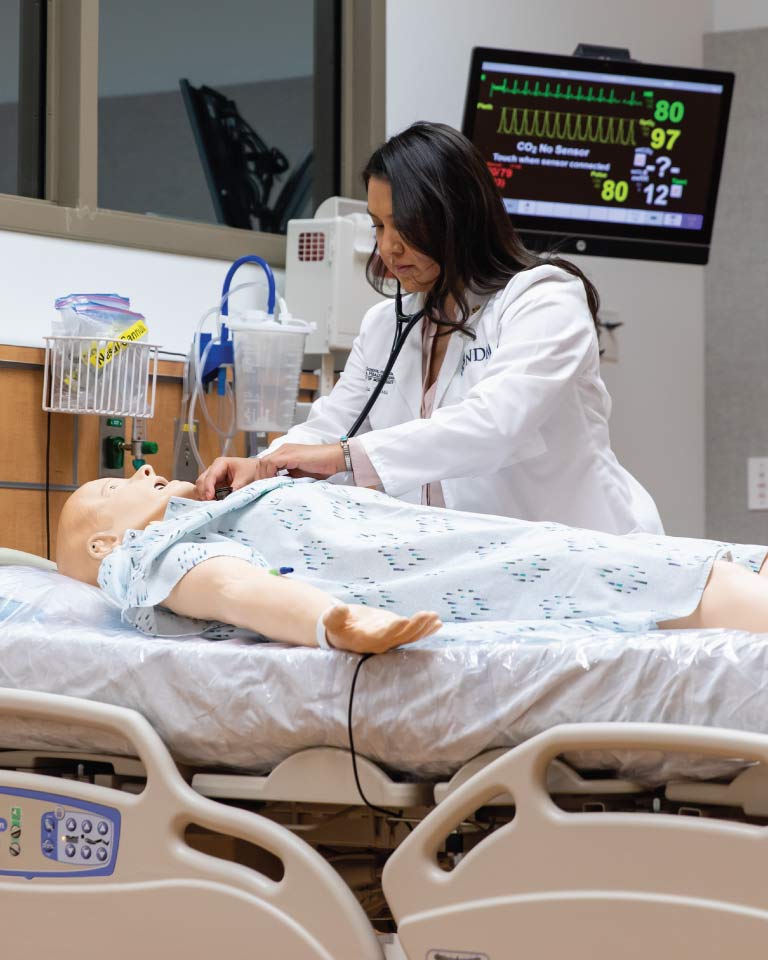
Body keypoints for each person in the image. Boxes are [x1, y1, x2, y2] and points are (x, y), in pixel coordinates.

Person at [196, 121, 662, 536]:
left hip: (587, 550)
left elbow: (494, 426)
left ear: (459, 216)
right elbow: (333, 424)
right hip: (469, 562)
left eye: (406, 225)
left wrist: (343, 457)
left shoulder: (544, 299)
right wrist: (262, 466)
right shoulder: (386, 325)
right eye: (379, 226)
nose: (389, 247)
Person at [56, 465, 768, 656]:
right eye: (117, 486)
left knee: (635, 560)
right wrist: (335, 623)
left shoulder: (205, 513)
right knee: (677, 585)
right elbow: (234, 591)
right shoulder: (153, 553)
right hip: (442, 574)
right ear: (103, 546)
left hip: (462, 546)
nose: (144, 466)